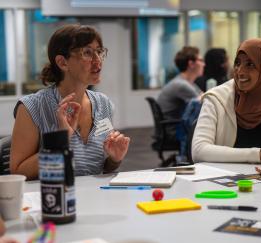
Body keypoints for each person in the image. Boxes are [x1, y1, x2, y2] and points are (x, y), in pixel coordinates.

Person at [10, 24, 130, 180]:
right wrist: (61, 139)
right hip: (53, 197)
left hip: (94, 198)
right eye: (87, 53)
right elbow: (18, 173)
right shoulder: (32, 107)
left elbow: (98, 168)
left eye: (99, 52)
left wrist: (114, 160)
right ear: (62, 62)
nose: (97, 60)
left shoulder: (103, 104)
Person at [192, 38, 261, 163]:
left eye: (250, 65)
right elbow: (198, 150)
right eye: (237, 63)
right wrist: (257, 155)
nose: (240, 72)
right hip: (224, 178)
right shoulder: (216, 98)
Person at [157, 46, 204, 139]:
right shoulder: (181, 85)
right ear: (191, 63)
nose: (204, 64)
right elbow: (204, 103)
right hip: (175, 131)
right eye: (201, 60)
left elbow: (203, 96)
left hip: (174, 126)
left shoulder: (185, 82)